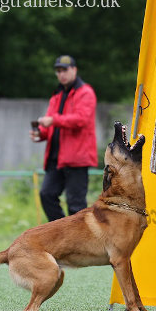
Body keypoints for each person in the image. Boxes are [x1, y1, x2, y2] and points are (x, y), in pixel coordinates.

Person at [30, 55, 97, 221]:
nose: (61, 74)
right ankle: (61, 236)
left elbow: (81, 119)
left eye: (65, 70)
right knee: (46, 195)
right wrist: (40, 134)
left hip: (76, 159)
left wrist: (53, 120)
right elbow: (49, 127)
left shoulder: (85, 93)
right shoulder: (57, 96)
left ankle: (79, 245)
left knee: (75, 205)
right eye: (58, 71)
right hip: (56, 159)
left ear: (75, 70)